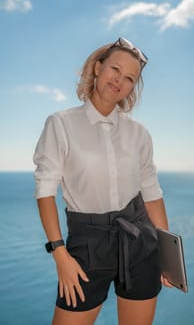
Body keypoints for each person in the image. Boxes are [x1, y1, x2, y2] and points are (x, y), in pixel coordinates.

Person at [33, 37, 172, 325]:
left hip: (140, 243)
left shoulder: (139, 134)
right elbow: (45, 191)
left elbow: (151, 192)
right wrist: (60, 254)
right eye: (114, 70)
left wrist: (168, 255)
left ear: (133, 87)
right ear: (97, 68)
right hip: (87, 245)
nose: (119, 81)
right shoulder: (61, 124)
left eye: (129, 78)